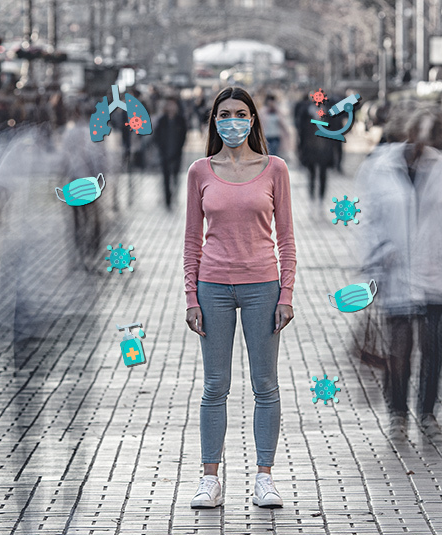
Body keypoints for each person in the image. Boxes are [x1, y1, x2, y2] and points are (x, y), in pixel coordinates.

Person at [183, 86, 296, 509]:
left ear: (253, 120)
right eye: (225, 114)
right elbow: (192, 239)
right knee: (215, 386)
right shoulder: (200, 171)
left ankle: (264, 476)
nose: (233, 120)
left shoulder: (274, 169)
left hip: (262, 287)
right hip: (212, 286)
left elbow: (285, 238)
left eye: (241, 113)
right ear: (214, 120)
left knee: (265, 385)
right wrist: (191, 297)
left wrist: (285, 293)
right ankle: (210, 478)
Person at [356, 106, 442, 441]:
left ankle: (428, 413)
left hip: (437, 271)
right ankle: (397, 414)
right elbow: (366, 218)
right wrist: (375, 256)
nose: (420, 143)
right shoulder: (379, 168)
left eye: (428, 136)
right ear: (403, 132)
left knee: (433, 346)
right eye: (415, 134)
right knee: (399, 348)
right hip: (395, 272)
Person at [153, 96, 188, 209]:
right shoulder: (162, 120)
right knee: (166, 177)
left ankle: (174, 196)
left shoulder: (180, 120)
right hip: (164, 153)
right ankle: (168, 199)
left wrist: (179, 149)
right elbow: (157, 137)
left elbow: (184, 137)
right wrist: (161, 149)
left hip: (176, 154)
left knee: (175, 176)